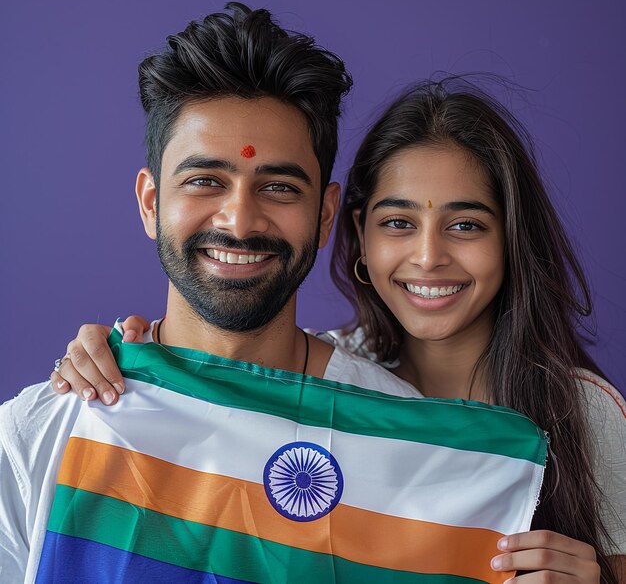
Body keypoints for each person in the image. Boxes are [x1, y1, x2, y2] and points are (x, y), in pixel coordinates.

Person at [54, 78, 626, 582]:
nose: (428, 257)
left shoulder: (580, 411)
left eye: (466, 225)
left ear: (512, 237)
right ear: (357, 230)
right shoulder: (326, 377)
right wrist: (124, 362)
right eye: (398, 223)